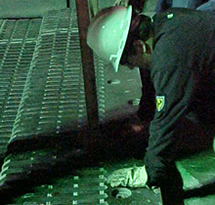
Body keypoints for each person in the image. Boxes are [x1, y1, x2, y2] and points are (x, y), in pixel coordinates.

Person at [87, 2, 215, 204]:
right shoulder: (162, 27)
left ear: (139, 46)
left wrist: (150, 172)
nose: (129, 67)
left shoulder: (170, 58)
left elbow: (167, 119)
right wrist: (145, 116)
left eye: (127, 61)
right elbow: (152, 80)